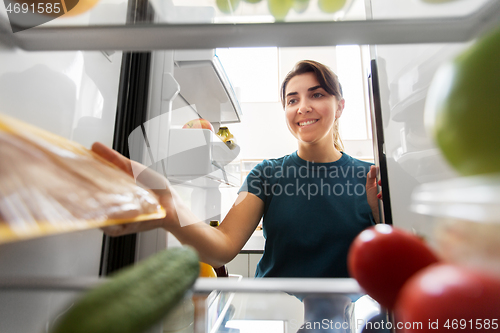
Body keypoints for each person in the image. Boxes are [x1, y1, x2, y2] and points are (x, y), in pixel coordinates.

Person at [92, 60, 381, 279]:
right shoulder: (266, 175)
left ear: (340, 106)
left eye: (316, 95)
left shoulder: (370, 177)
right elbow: (223, 246)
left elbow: (393, 259)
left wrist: (379, 217)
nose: (302, 107)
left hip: (348, 319)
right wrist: (170, 207)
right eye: (292, 100)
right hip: (271, 315)